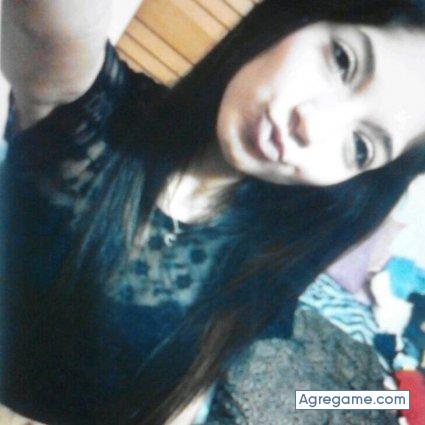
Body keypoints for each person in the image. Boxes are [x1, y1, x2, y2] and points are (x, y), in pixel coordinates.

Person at [1, 0, 425, 424]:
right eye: (343, 61)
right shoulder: (93, 120)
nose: (312, 127)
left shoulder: (282, 249)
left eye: (360, 146)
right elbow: (51, 22)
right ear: (298, 17)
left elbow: (201, 368)